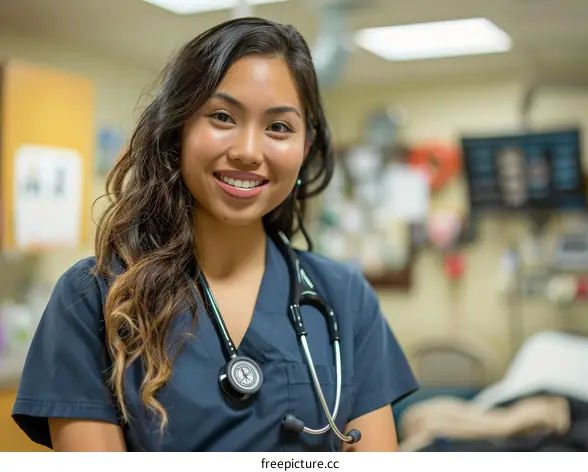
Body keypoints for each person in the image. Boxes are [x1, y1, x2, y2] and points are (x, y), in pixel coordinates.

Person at [11, 17, 418, 452]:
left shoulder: (345, 298)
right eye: (222, 116)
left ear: (305, 147)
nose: (247, 150)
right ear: (178, 129)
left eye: (279, 126)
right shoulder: (93, 298)